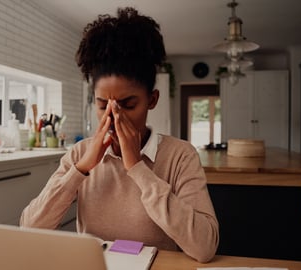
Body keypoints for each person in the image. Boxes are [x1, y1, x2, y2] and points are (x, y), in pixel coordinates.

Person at [20, 7, 219, 262]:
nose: (114, 117)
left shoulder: (180, 156)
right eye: (104, 105)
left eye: (128, 104)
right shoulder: (80, 154)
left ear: (152, 100)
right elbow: (29, 230)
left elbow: (204, 247)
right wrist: (80, 170)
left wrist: (137, 167)